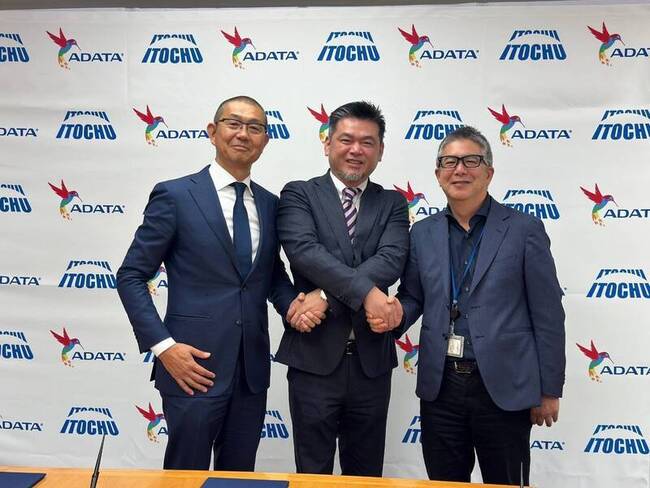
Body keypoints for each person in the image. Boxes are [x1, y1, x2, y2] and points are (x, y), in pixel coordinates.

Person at [116, 96, 322, 471]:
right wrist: (164, 348)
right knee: (185, 477)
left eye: (255, 127)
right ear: (213, 132)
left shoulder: (271, 204)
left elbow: (270, 274)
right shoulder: (175, 195)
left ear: (265, 140)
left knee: (238, 477)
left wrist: (294, 306)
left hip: (251, 372)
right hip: (191, 367)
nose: (243, 134)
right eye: (233, 123)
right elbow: (131, 275)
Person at [370, 126, 566, 485]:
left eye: (470, 161)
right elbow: (414, 296)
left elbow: (549, 314)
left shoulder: (524, 229)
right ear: (438, 173)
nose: (459, 169)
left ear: (488, 172)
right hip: (440, 386)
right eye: (449, 162)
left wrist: (549, 389)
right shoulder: (423, 232)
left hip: (504, 388)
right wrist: (394, 315)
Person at [275, 101, 410, 476]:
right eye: (346, 139)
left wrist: (325, 296)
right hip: (313, 359)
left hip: (371, 364)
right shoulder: (299, 194)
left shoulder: (393, 203)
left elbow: (391, 259)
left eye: (367, 142)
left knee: (366, 475)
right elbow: (305, 253)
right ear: (327, 143)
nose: (356, 150)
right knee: (312, 473)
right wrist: (367, 292)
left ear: (380, 151)